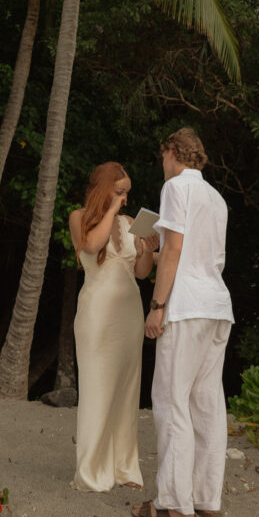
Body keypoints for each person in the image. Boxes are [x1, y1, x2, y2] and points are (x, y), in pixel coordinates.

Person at [132, 128, 234, 517]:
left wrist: (157, 306)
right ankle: (207, 497)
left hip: (186, 305)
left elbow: (175, 249)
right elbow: (196, 255)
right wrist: (151, 253)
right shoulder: (216, 197)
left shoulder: (176, 187)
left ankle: (174, 502)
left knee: (172, 400)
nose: (163, 165)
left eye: (163, 157)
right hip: (217, 305)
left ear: (174, 153)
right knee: (207, 403)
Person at [69, 162, 158, 492]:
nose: (124, 198)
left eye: (127, 193)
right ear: (103, 188)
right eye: (119, 191)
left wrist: (147, 247)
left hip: (128, 314)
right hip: (96, 313)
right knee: (97, 388)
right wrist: (110, 210)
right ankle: (92, 471)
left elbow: (141, 272)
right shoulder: (79, 217)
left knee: (125, 390)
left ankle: (124, 468)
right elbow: (91, 246)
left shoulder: (130, 222)